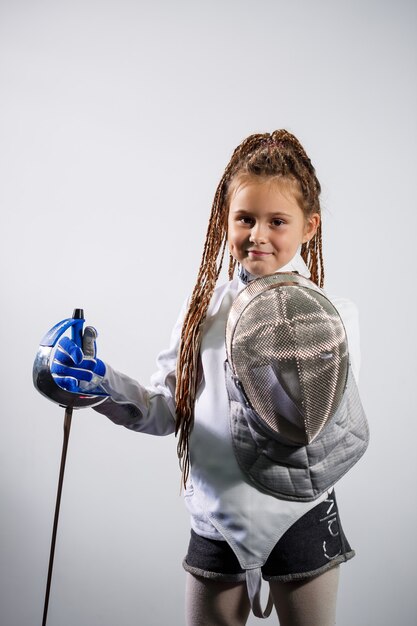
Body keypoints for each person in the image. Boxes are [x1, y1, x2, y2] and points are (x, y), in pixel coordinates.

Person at [51, 130, 367, 625]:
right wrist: (101, 384)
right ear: (226, 221)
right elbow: (164, 411)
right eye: (245, 218)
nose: (258, 234)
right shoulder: (204, 310)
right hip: (216, 515)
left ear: (310, 226)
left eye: (277, 221)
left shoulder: (332, 318)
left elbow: (317, 426)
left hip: (299, 515)